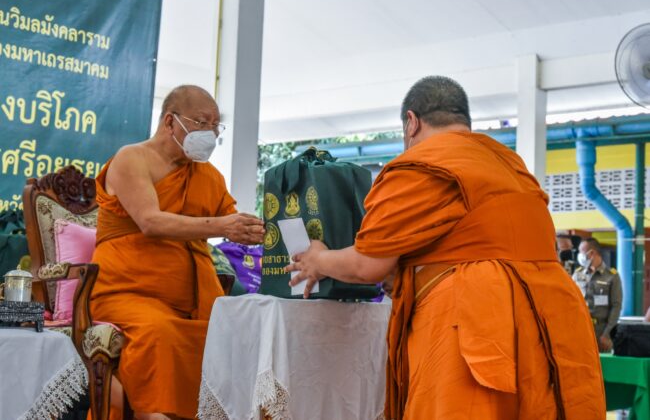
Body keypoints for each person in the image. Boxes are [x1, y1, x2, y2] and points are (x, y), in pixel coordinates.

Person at [287, 76, 605, 419]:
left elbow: (368, 265)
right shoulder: (510, 164)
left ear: (411, 122)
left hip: (478, 313)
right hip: (549, 314)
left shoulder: (423, 162)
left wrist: (318, 260)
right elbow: (470, 242)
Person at [90, 85, 265, 420]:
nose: (211, 133)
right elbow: (150, 222)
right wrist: (222, 226)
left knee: (238, 334)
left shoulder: (208, 176)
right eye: (202, 122)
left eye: (215, 125)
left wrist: (258, 230)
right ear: (170, 121)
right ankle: (153, 413)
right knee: (160, 332)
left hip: (197, 298)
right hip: (128, 293)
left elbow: (232, 221)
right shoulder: (132, 158)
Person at [572, 238, 623, 352]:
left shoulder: (612, 276)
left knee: (602, 362)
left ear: (592, 253)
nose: (579, 255)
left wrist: (607, 334)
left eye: (581, 252)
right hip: (580, 330)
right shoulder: (577, 275)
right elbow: (570, 303)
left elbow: (616, 306)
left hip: (601, 332)